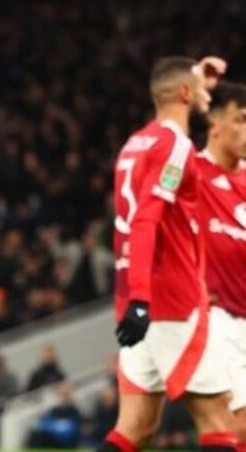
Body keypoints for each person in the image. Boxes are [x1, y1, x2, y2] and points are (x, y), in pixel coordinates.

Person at [99, 56, 236, 452]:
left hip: (134, 299)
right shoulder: (175, 146)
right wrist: (143, 297)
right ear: (185, 93)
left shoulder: (135, 144)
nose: (209, 95)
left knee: (133, 430)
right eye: (203, 90)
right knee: (220, 422)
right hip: (170, 301)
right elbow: (146, 221)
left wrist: (134, 298)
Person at [196, 82, 246, 447]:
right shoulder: (191, 174)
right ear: (215, 124)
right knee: (237, 424)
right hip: (219, 319)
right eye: (240, 120)